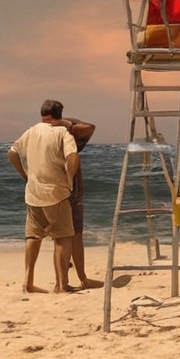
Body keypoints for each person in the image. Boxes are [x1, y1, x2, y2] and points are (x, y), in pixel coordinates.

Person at [7, 99, 80, 293]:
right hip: (55, 193)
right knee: (62, 239)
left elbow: (12, 153)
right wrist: (70, 178)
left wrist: (25, 174)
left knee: (33, 237)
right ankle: (61, 285)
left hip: (33, 193)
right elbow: (72, 156)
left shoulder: (31, 131)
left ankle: (28, 283)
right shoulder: (62, 132)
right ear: (60, 115)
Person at [62, 110, 102, 289]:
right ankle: (80, 279)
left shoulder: (58, 144)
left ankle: (69, 279)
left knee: (66, 238)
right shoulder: (67, 146)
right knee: (74, 237)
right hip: (68, 196)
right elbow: (89, 127)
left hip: (65, 195)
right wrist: (64, 124)